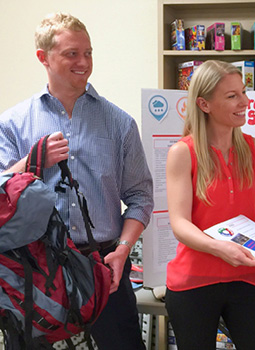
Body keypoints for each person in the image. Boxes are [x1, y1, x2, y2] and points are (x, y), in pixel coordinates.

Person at [0, 13, 153, 350]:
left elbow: (141, 197)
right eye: (72, 53)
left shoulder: (120, 124)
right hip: (34, 266)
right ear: (43, 57)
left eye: (88, 52)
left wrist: (123, 250)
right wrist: (29, 163)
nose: (83, 62)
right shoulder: (11, 123)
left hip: (105, 266)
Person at [164, 60, 255, 350]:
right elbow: (180, 224)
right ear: (204, 104)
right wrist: (219, 248)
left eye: (244, 92)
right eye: (232, 95)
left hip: (247, 276)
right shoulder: (182, 153)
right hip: (193, 280)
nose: (245, 102)